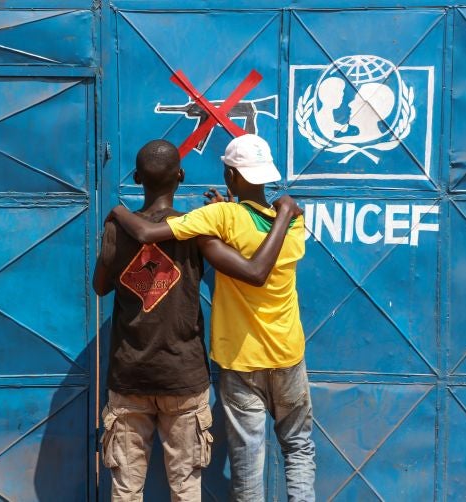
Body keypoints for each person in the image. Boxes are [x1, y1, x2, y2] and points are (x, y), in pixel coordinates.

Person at [108, 134, 315, 502]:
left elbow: (146, 235)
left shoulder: (219, 218)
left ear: (229, 175)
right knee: (298, 448)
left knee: (247, 462)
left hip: (240, 360)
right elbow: (255, 239)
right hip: (286, 356)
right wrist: (280, 211)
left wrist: (117, 212)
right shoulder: (294, 225)